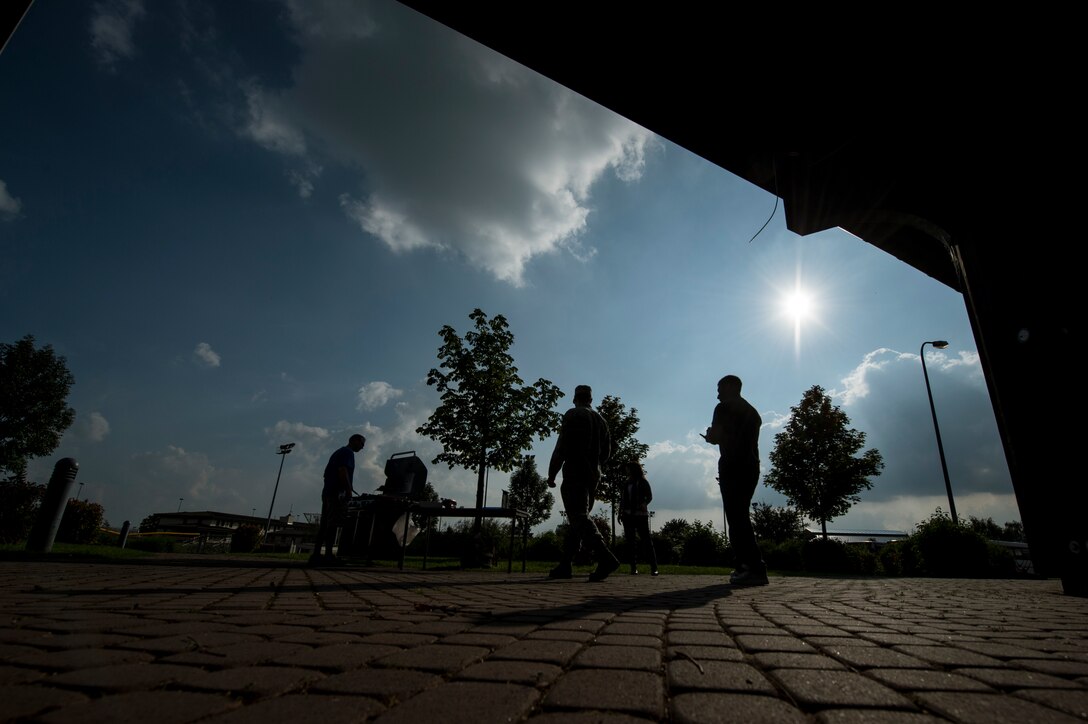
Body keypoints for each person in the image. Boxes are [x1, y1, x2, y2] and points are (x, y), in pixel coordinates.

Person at [547, 384, 621, 581]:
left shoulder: (573, 415)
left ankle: (606, 557)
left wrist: (552, 472)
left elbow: (562, 445)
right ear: (590, 399)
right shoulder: (602, 420)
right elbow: (607, 452)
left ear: (574, 398)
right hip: (593, 474)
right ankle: (565, 565)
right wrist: (596, 466)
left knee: (578, 516)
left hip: (575, 470)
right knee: (577, 520)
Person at [701, 375, 768, 586]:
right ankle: (750, 566)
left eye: (720, 388)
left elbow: (718, 435)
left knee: (736, 518)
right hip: (750, 466)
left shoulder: (722, 408)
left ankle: (749, 567)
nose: (717, 394)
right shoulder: (752, 412)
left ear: (731, 387)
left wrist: (711, 437)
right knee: (741, 516)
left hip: (732, 465)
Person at [309, 433, 366, 566]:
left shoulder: (338, 452)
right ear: (354, 441)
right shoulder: (348, 453)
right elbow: (342, 470)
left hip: (327, 492)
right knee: (333, 524)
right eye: (362, 443)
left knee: (324, 523)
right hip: (336, 494)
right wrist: (348, 490)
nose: (362, 447)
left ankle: (316, 555)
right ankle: (329, 556)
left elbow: (326, 474)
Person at [620, 461, 658, 576]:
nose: (627, 471)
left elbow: (650, 496)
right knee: (630, 542)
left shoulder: (643, 482)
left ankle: (654, 567)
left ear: (633, 469)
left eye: (628, 469)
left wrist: (644, 503)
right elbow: (623, 499)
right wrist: (620, 512)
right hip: (628, 514)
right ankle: (633, 567)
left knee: (646, 541)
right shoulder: (627, 483)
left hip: (640, 515)